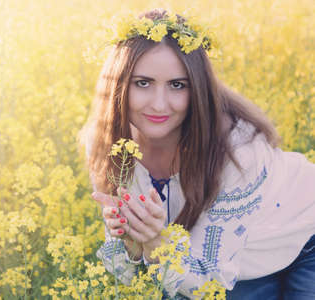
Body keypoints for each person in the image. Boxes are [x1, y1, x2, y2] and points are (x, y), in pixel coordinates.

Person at [79, 8, 315, 300]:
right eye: (143, 83)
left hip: (303, 239)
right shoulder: (107, 144)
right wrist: (133, 244)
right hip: (230, 263)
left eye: (177, 85)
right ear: (118, 85)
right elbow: (131, 276)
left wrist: (155, 244)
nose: (159, 104)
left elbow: (207, 283)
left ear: (198, 90)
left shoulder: (239, 153)